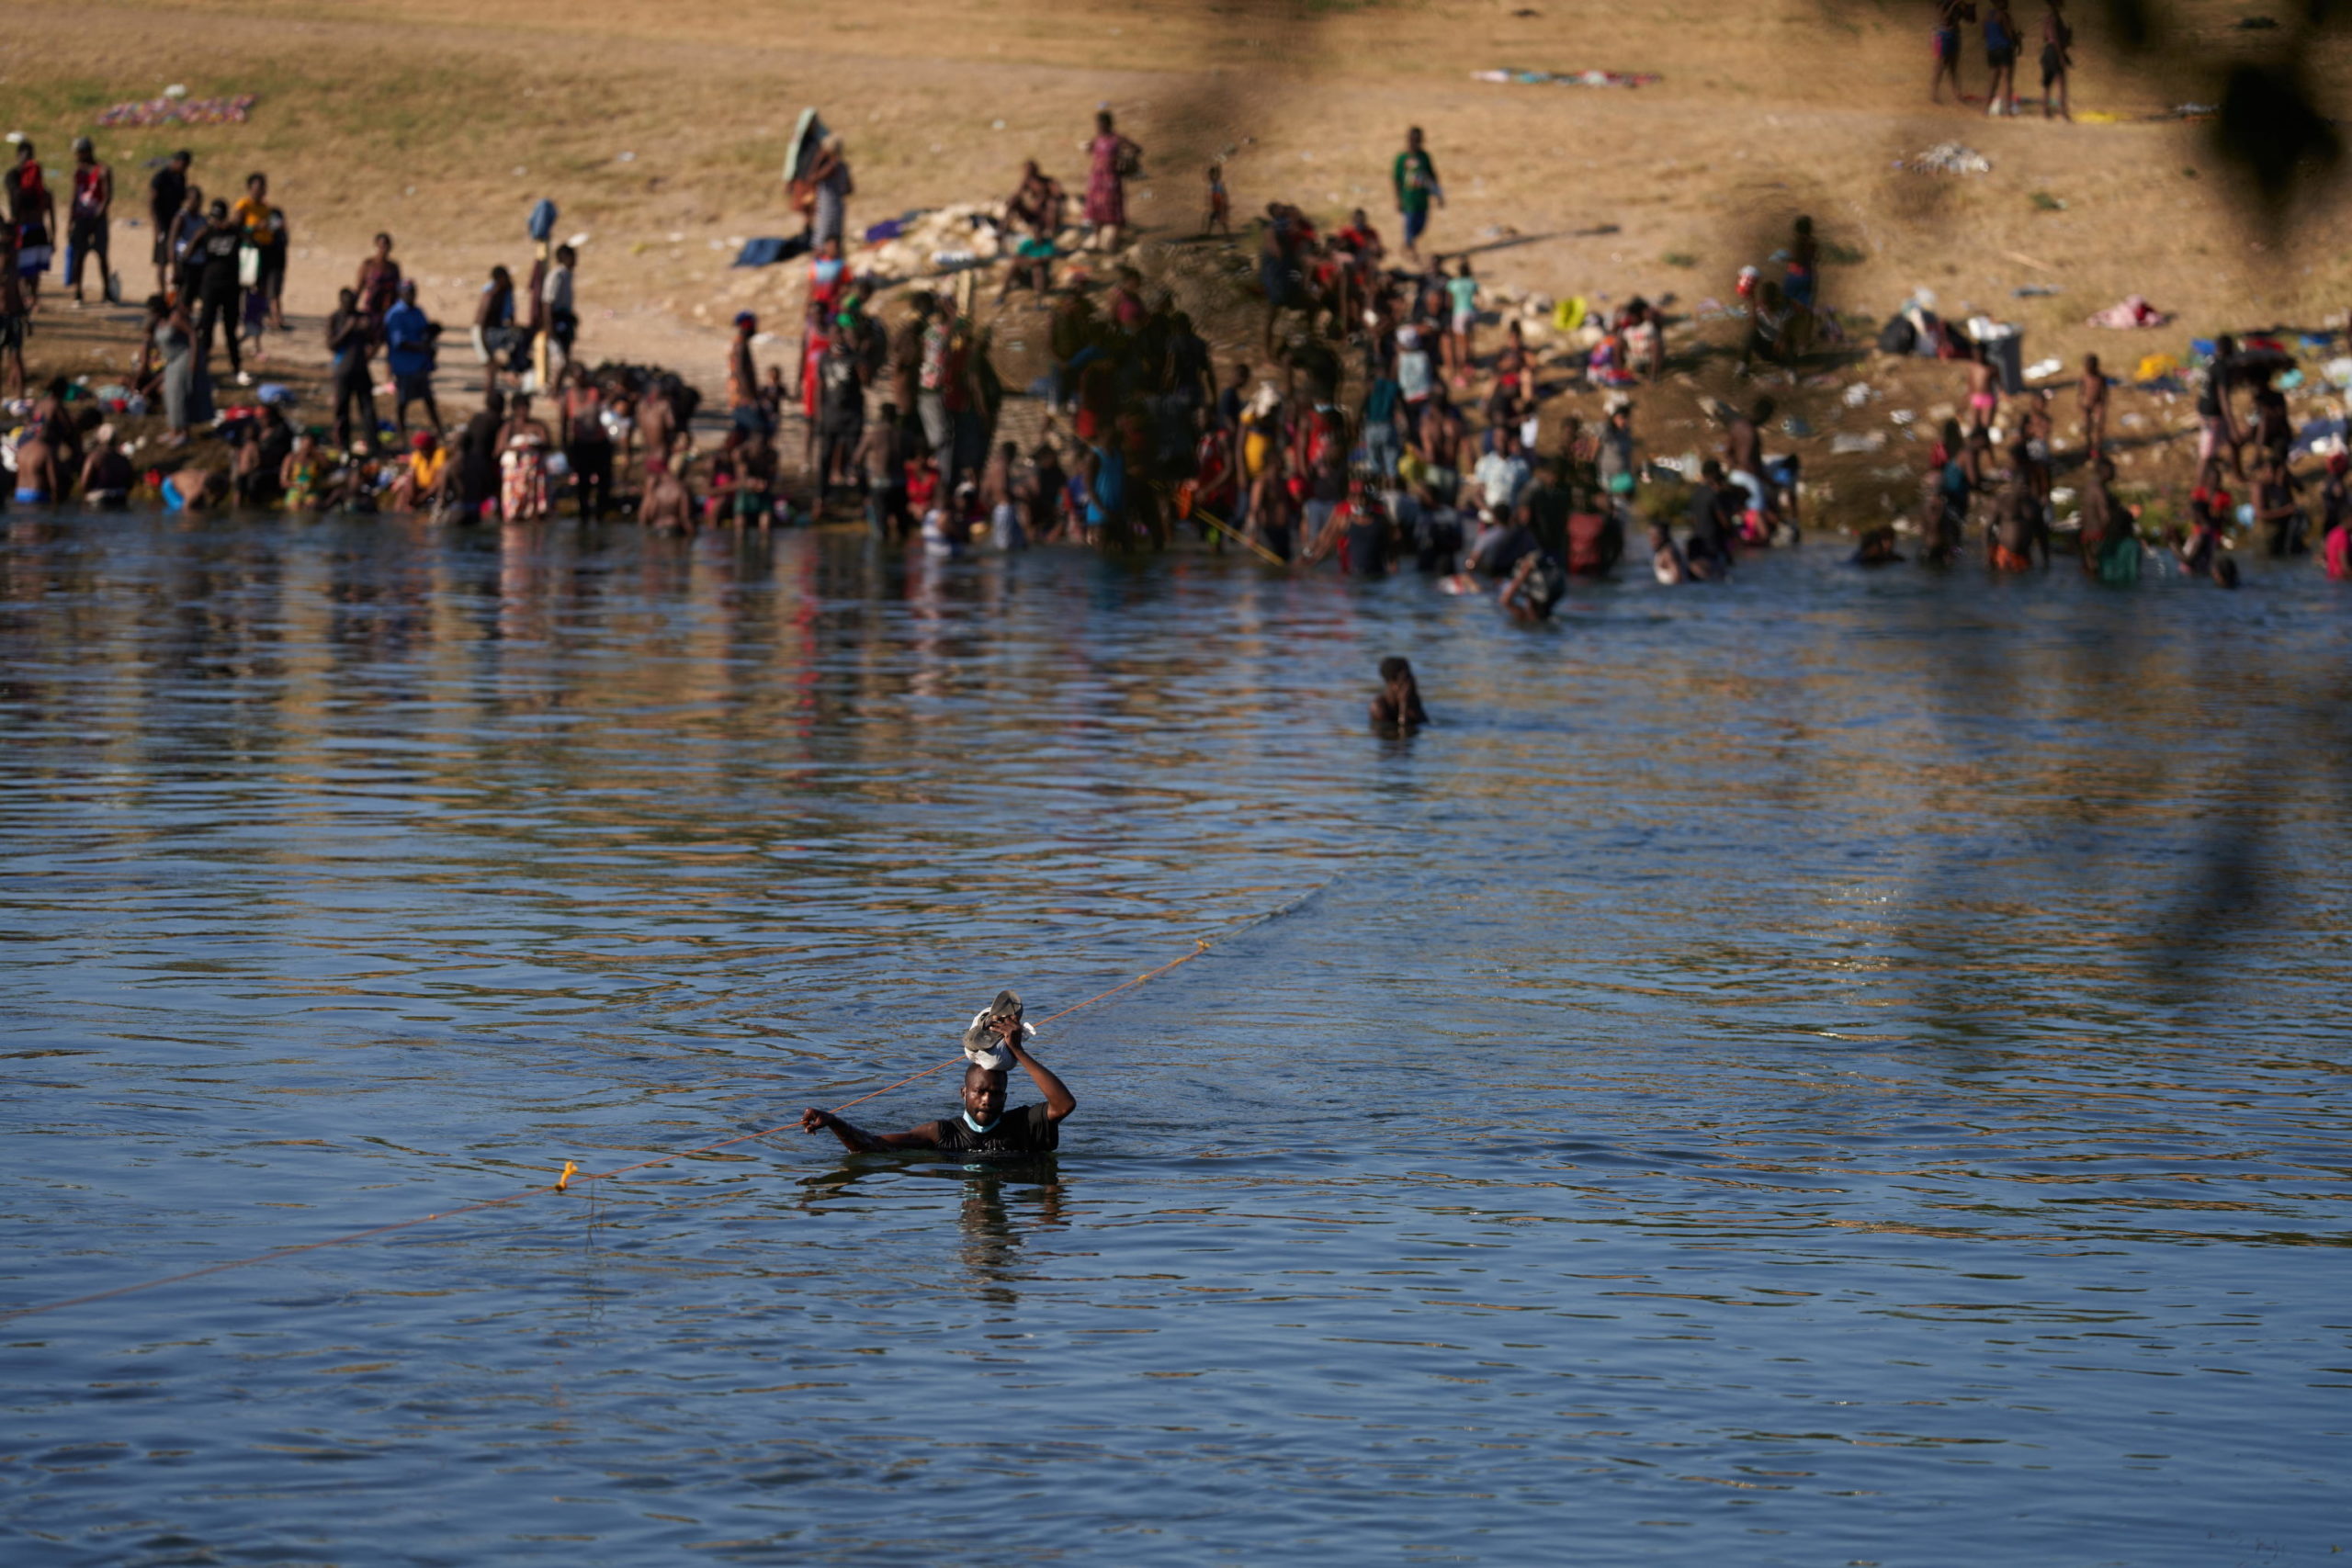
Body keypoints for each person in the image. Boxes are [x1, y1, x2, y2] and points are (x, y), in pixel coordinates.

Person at [803, 1004, 1073, 1156]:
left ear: (1005, 1097)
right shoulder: (941, 1133)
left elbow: (1064, 1105)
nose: (987, 1100)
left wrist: (1017, 1050)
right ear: (963, 1093)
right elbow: (874, 1146)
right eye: (979, 1091)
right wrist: (835, 1123)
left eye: (995, 1093)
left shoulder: (1023, 1124)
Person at [382, 280, 441, 441]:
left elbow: (424, 332)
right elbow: (399, 342)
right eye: (408, 292)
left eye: (413, 291)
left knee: (428, 400)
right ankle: (401, 435)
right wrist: (421, 346)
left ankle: (439, 430)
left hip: (420, 365)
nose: (411, 295)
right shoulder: (395, 314)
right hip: (404, 366)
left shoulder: (418, 311)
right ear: (401, 293)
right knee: (402, 403)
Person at [230, 172, 287, 331]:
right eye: (258, 188)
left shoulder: (265, 208)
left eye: (263, 188)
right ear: (250, 188)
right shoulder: (244, 205)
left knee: (261, 287)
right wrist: (254, 228)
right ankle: (240, 316)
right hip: (249, 250)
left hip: (265, 250)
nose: (261, 191)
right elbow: (235, 228)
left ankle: (257, 317)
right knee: (247, 284)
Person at [560, 366, 614, 522]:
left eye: (583, 376)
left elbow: (611, 399)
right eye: (578, 377)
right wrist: (565, 447)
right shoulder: (568, 397)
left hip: (600, 444)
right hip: (581, 445)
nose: (581, 379)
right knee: (583, 483)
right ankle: (584, 514)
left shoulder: (595, 392)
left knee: (604, 481)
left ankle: (601, 513)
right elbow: (563, 424)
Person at [1083, 109, 1142, 252]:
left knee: (1112, 206)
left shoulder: (1117, 139)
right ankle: (1097, 239)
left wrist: (1124, 159)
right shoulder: (1097, 139)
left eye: (1101, 124)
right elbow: (1091, 150)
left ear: (1108, 124)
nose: (1099, 127)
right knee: (1097, 207)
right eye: (1098, 124)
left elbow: (1137, 149)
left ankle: (1114, 241)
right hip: (1097, 178)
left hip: (1111, 178)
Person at [64, 137, 110, 308]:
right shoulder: (78, 172)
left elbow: (107, 197)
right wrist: (70, 221)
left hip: (98, 220)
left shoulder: (102, 170)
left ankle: (107, 292)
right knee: (79, 256)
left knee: (102, 255)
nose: (76, 156)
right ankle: (78, 292)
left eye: (78, 153)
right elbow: (74, 197)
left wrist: (96, 219)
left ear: (86, 152)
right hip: (81, 219)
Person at [9, 141, 56, 311]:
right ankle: (32, 298)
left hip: (28, 230)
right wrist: (53, 237)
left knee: (25, 268)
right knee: (33, 269)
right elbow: (52, 217)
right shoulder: (44, 193)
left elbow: (16, 213)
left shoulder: (21, 190)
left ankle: (27, 298)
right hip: (38, 230)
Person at [1392, 126, 1442, 262]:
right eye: (1413, 140)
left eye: (1418, 140)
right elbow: (1396, 179)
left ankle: (1407, 244)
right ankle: (1411, 251)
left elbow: (1432, 175)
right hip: (1408, 199)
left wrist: (1438, 194)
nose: (1415, 143)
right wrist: (1398, 199)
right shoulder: (1402, 158)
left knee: (1421, 226)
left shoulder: (1424, 157)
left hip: (1422, 199)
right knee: (1409, 225)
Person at [148, 149, 190, 293]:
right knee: (162, 261)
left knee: (178, 257)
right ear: (177, 162)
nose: (185, 169)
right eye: (184, 165)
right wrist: (157, 227)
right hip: (163, 224)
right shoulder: (160, 177)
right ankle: (162, 293)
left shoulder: (181, 177)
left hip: (176, 224)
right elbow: (152, 203)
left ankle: (176, 291)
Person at [474, 265, 520, 393]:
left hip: (494, 331)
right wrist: (484, 344)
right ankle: (490, 391)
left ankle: (493, 388)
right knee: (489, 363)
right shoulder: (490, 295)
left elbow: (510, 312)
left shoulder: (506, 291)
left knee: (494, 363)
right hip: (482, 332)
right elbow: (481, 322)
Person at [806, 135, 854, 253]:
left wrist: (818, 159)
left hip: (827, 206)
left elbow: (811, 178)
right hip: (839, 205)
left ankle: (819, 261)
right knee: (836, 238)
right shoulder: (843, 166)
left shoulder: (830, 167)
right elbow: (849, 189)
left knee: (821, 237)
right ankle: (835, 260)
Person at [388, 430, 448, 512]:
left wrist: (423, 497)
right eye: (420, 449)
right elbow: (412, 476)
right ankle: (399, 513)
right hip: (420, 488)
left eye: (424, 449)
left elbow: (439, 480)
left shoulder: (440, 454)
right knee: (404, 491)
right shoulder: (418, 455)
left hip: (436, 491)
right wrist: (411, 494)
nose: (421, 451)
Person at [356, 231, 401, 336]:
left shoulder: (393, 267)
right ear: (376, 245)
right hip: (371, 308)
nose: (384, 248)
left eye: (387, 244)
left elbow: (398, 290)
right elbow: (359, 288)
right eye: (382, 244)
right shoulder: (368, 265)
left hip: (389, 310)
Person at [1931, 0, 1977, 104]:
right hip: (1942, 35)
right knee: (1940, 65)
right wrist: (1954, 5)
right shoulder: (1943, 3)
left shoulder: (1960, 5)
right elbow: (1944, 19)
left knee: (1953, 66)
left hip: (1954, 35)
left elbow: (1971, 21)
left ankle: (1957, 94)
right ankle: (1934, 93)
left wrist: (1971, 8)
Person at [542, 243, 578, 373]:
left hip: (564, 321)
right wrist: (549, 327)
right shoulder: (556, 275)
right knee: (559, 362)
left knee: (565, 359)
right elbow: (547, 302)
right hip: (555, 322)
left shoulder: (567, 275)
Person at [1984, 0, 2020, 117]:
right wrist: (2017, 39)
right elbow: (2009, 33)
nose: (2007, 3)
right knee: (2006, 80)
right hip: (2004, 49)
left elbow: (1985, 34)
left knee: (1992, 80)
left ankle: (1985, 109)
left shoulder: (1987, 16)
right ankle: (2008, 110)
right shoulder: (2004, 15)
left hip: (1991, 50)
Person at [1371, 655, 1428, 729]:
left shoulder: (1412, 699)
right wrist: (1404, 704)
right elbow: (1402, 731)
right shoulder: (1379, 707)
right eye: (1407, 677)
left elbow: (1425, 724)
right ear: (1394, 683)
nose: (1412, 681)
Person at [2040, 0, 2074, 121]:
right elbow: (2055, 39)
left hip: (2047, 51)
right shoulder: (2055, 18)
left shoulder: (2047, 18)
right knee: (2061, 83)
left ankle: (2045, 112)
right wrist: (2061, 56)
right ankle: (2063, 113)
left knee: (2047, 83)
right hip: (2055, 51)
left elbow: (2045, 37)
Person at [0, 229, 24, 400]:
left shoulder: (14, 271)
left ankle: (20, 397)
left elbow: (18, 294)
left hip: (14, 316)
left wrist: (25, 316)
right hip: (1, 318)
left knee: (16, 357)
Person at [2077, 352, 2109, 460]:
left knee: (2099, 427)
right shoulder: (2084, 378)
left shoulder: (2100, 378)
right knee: (2087, 427)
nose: (2088, 368)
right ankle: (2088, 447)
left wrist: (2103, 405)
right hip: (2086, 404)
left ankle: (2097, 449)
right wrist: (2081, 404)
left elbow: (2104, 393)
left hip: (2098, 404)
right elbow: (2080, 392)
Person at [1202, 160, 1231, 238]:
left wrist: (1219, 165)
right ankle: (1225, 235)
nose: (1209, 176)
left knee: (1220, 220)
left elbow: (1222, 195)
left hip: (1219, 204)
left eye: (1211, 175)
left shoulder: (1217, 182)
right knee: (1214, 219)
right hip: (1217, 204)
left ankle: (1227, 235)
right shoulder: (1215, 182)